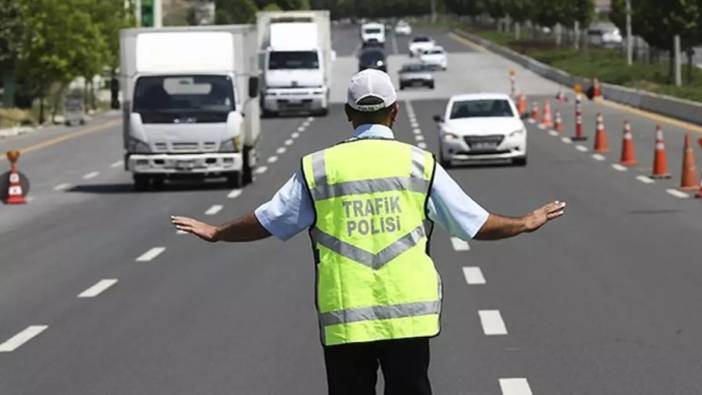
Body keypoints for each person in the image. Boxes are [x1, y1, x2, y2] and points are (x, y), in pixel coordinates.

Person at [171, 69, 566, 395]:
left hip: (346, 319)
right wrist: (524, 223)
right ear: (394, 112)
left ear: (348, 113)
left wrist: (218, 231)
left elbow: (269, 220)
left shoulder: (320, 168)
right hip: (409, 319)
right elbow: (474, 223)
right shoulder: (418, 164)